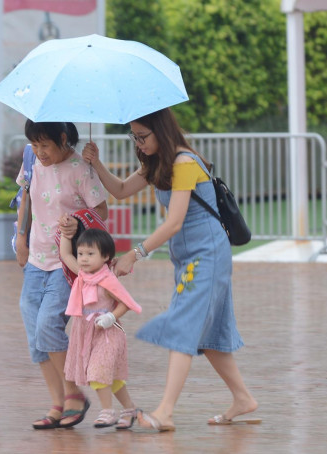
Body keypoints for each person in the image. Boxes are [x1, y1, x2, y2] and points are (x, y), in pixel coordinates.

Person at [82, 107, 260, 432]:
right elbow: (120, 191)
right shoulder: (157, 163)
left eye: (143, 136)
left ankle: (165, 412)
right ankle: (243, 398)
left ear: (160, 131)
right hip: (189, 258)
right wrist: (96, 164)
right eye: (134, 137)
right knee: (207, 336)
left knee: (182, 327)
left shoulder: (184, 163)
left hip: (207, 255)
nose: (139, 143)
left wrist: (134, 254)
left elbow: (174, 221)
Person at [15, 120, 108, 429]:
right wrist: (20, 239)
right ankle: (58, 403)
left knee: (47, 324)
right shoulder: (31, 159)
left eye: (45, 145)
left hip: (66, 263)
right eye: (35, 144)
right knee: (35, 334)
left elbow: (101, 213)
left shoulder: (81, 168)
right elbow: (24, 199)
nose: (39, 152)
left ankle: (73, 394)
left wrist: (77, 224)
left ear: (64, 139)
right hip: (35, 261)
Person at [59, 227, 142, 429]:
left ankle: (107, 412)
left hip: (107, 334)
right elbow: (64, 254)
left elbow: (125, 303)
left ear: (105, 256)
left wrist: (111, 316)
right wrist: (65, 235)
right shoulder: (82, 275)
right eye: (81, 254)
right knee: (110, 378)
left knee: (97, 373)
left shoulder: (107, 280)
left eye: (90, 254)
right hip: (86, 333)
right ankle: (131, 410)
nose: (84, 259)